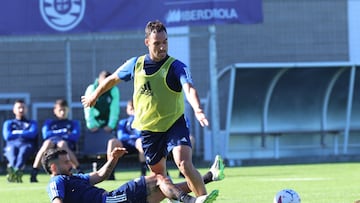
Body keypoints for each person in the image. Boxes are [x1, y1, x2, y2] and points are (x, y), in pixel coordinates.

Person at [81, 20, 211, 197]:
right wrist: (94, 95)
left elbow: (189, 88)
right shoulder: (136, 65)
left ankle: (202, 199)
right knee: (159, 178)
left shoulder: (175, 66)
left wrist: (198, 109)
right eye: (157, 43)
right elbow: (112, 80)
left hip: (174, 123)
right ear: (147, 42)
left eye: (165, 42)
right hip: (149, 130)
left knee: (184, 163)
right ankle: (182, 198)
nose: (162, 47)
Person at [43, 147, 224, 203]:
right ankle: (190, 201)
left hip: (112, 199)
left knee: (162, 190)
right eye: (66, 162)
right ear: (53, 167)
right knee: (159, 178)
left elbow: (100, 174)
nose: (70, 163)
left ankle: (210, 176)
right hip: (109, 201)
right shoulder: (57, 180)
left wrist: (113, 159)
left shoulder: (72, 177)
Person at [30, 99, 81, 182]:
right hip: (52, 145)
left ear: (68, 110)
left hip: (67, 145)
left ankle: (79, 170)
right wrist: (64, 132)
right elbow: (46, 135)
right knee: (47, 143)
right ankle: (34, 172)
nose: (62, 112)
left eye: (64, 110)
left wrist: (55, 133)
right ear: (55, 111)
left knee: (62, 144)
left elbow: (75, 136)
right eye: (60, 110)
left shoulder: (73, 123)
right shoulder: (49, 122)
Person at [107, 99, 146, 180]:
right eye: (130, 108)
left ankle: (143, 172)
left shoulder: (142, 121)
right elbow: (121, 136)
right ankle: (110, 172)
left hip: (137, 144)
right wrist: (132, 137)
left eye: (134, 109)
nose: (132, 111)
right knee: (112, 142)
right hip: (125, 144)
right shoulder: (123, 122)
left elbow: (140, 134)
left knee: (140, 142)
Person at [2, 99, 38, 183]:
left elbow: (32, 134)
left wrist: (15, 133)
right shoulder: (8, 123)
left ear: (26, 109)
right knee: (13, 157)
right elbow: (7, 136)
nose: (21, 110)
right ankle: (16, 174)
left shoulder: (32, 123)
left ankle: (13, 174)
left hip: (26, 144)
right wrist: (24, 133)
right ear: (14, 110)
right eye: (19, 108)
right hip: (11, 145)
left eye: (23, 107)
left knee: (22, 153)